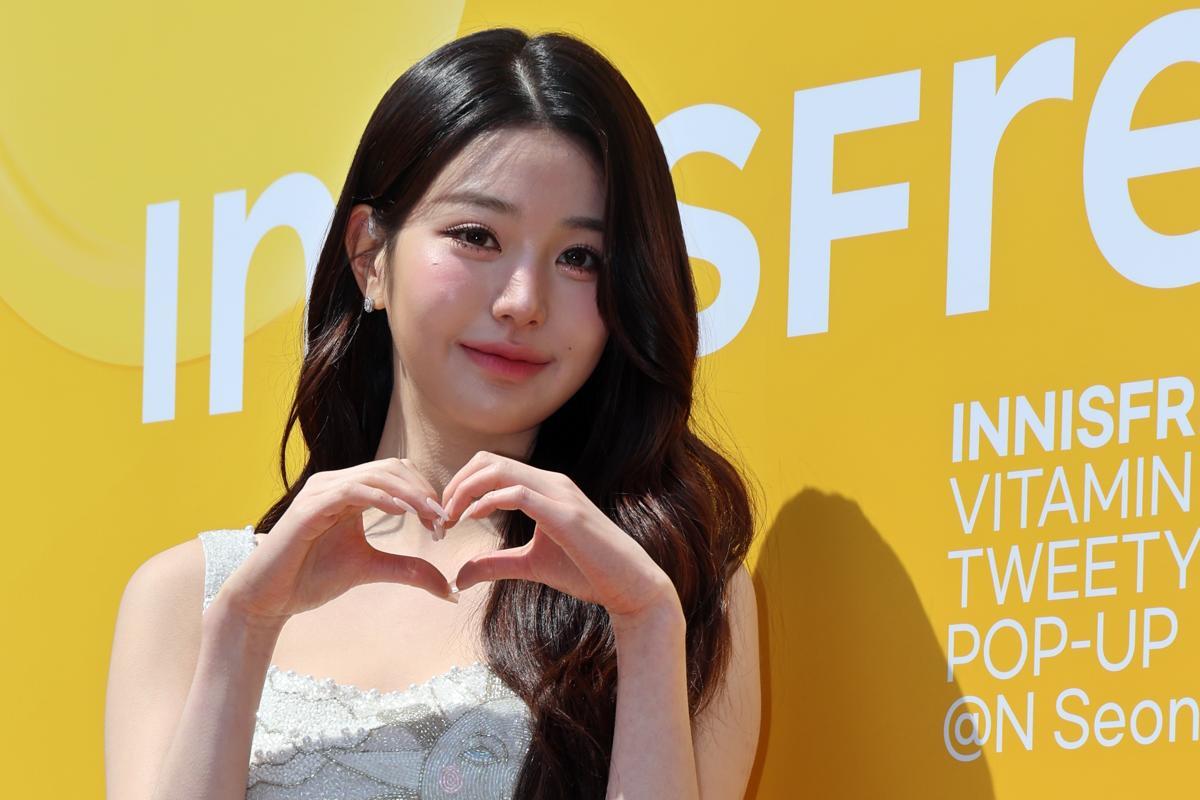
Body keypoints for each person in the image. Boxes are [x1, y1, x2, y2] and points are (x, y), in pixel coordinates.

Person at [104, 26, 762, 800]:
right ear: (369, 257)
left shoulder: (672, 586)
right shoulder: (190, 597)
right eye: (476, 236)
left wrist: (645, 626)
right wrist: (244, 631)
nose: (523, 302)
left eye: (580, 258)